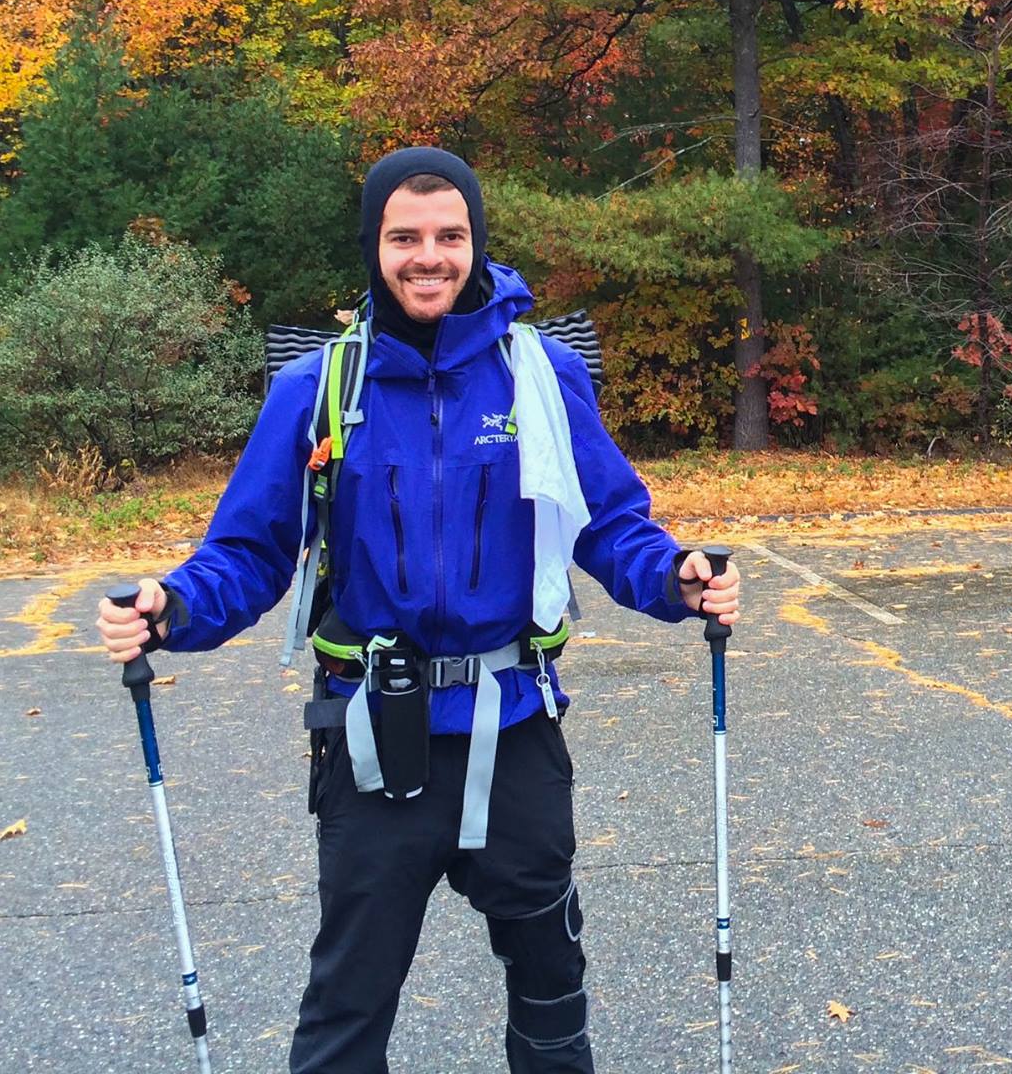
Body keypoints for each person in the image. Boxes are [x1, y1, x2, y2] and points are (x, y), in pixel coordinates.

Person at [98, 146, 742, 1074]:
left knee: (551, 984)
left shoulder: (542, 375)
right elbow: (248, 552)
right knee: (347, 1005)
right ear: (374, 248)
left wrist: (674, 579)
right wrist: (173, 608)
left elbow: (607, 522)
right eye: (405, 237)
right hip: (373, 735)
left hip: (514, 722)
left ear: (476, 245)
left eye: (450, 236)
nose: (428, 257)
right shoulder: (317, 390)